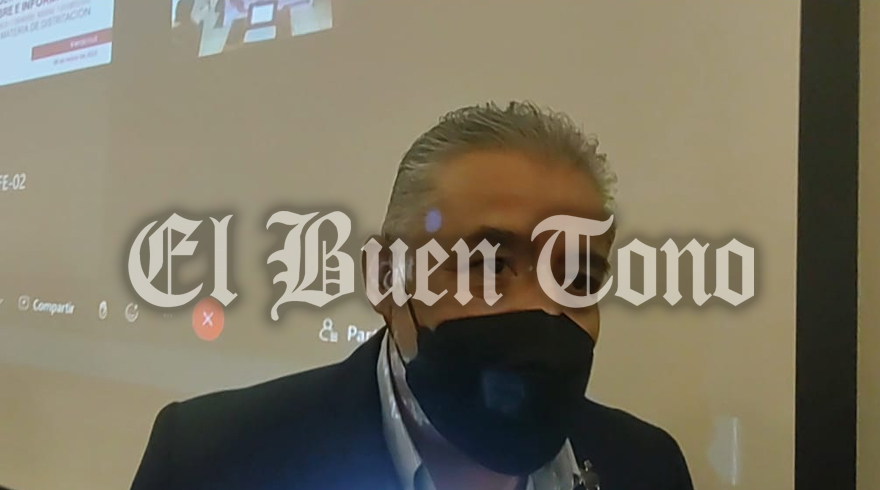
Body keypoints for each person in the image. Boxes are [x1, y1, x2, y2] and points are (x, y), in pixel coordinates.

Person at [130, 101, 695, 490]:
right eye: (489, 265)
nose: (543, 308)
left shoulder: (645, 467)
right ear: (385, 278)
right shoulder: (212, 460)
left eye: (578, 279)